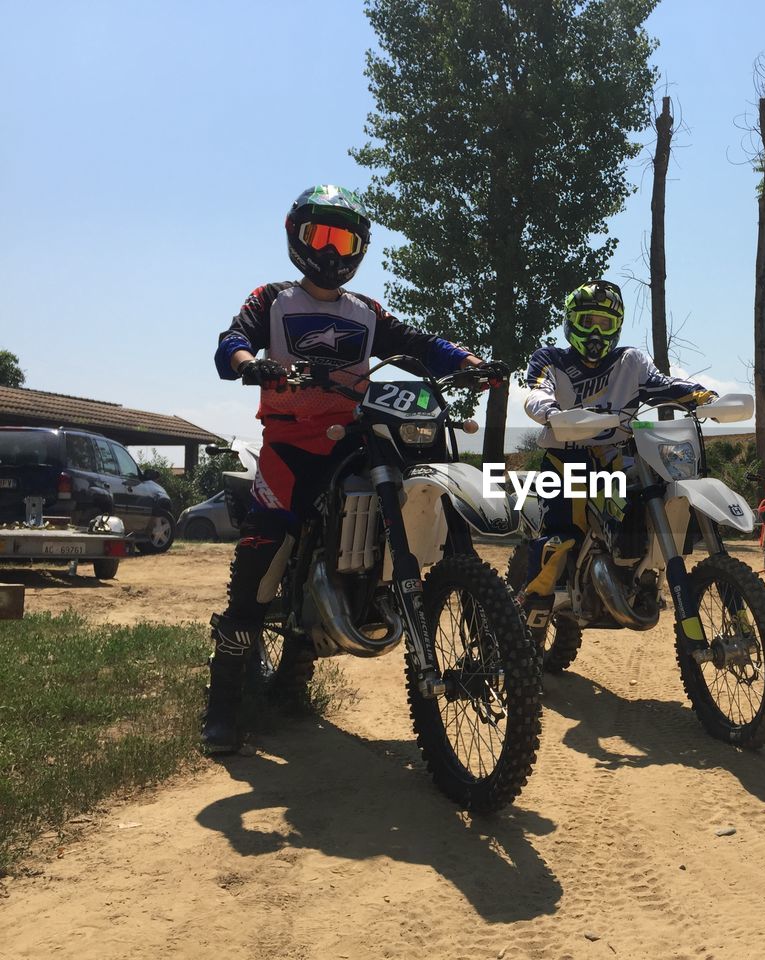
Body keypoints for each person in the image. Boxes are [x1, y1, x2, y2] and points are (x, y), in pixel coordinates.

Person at [205, 184, 502, 754]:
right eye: (322, 235)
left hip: (356, 439)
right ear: (297, 237)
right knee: (262, 555)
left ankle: (438, 601)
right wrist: (250, 362)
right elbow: (231, 340)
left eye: (346, 238)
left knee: (427, 487)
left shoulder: (365, 311)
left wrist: (467, 361)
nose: (333, 249)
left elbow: (416, 343)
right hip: (292, 446)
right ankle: (222, 705)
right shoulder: (272, 298)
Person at [516, 279, 716, 634]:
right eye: (588, 320)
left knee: (653, 497)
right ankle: (532, 608)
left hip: (619, 458)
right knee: (562, 536)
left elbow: (661, 383)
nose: (596, 331)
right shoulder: (551, 358)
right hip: (566, 461)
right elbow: (536, 391)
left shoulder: (630, 360)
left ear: (617, 326)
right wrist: (549, 411)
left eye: (605, 323)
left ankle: (634, 574)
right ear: (571, 321)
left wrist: (698, 394)